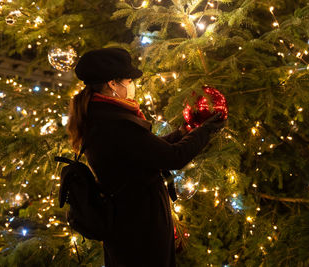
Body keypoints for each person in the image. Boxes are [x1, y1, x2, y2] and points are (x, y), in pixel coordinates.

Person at [67, 47, 226, 267]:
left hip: (126, 223)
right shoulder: (115, 123)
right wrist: (207, 129)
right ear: (113, 83)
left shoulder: (101, 115)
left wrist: (182, 133)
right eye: (129, 80)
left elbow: (147, 152)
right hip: (138, 228)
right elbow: (173, 157)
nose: (133, 85)